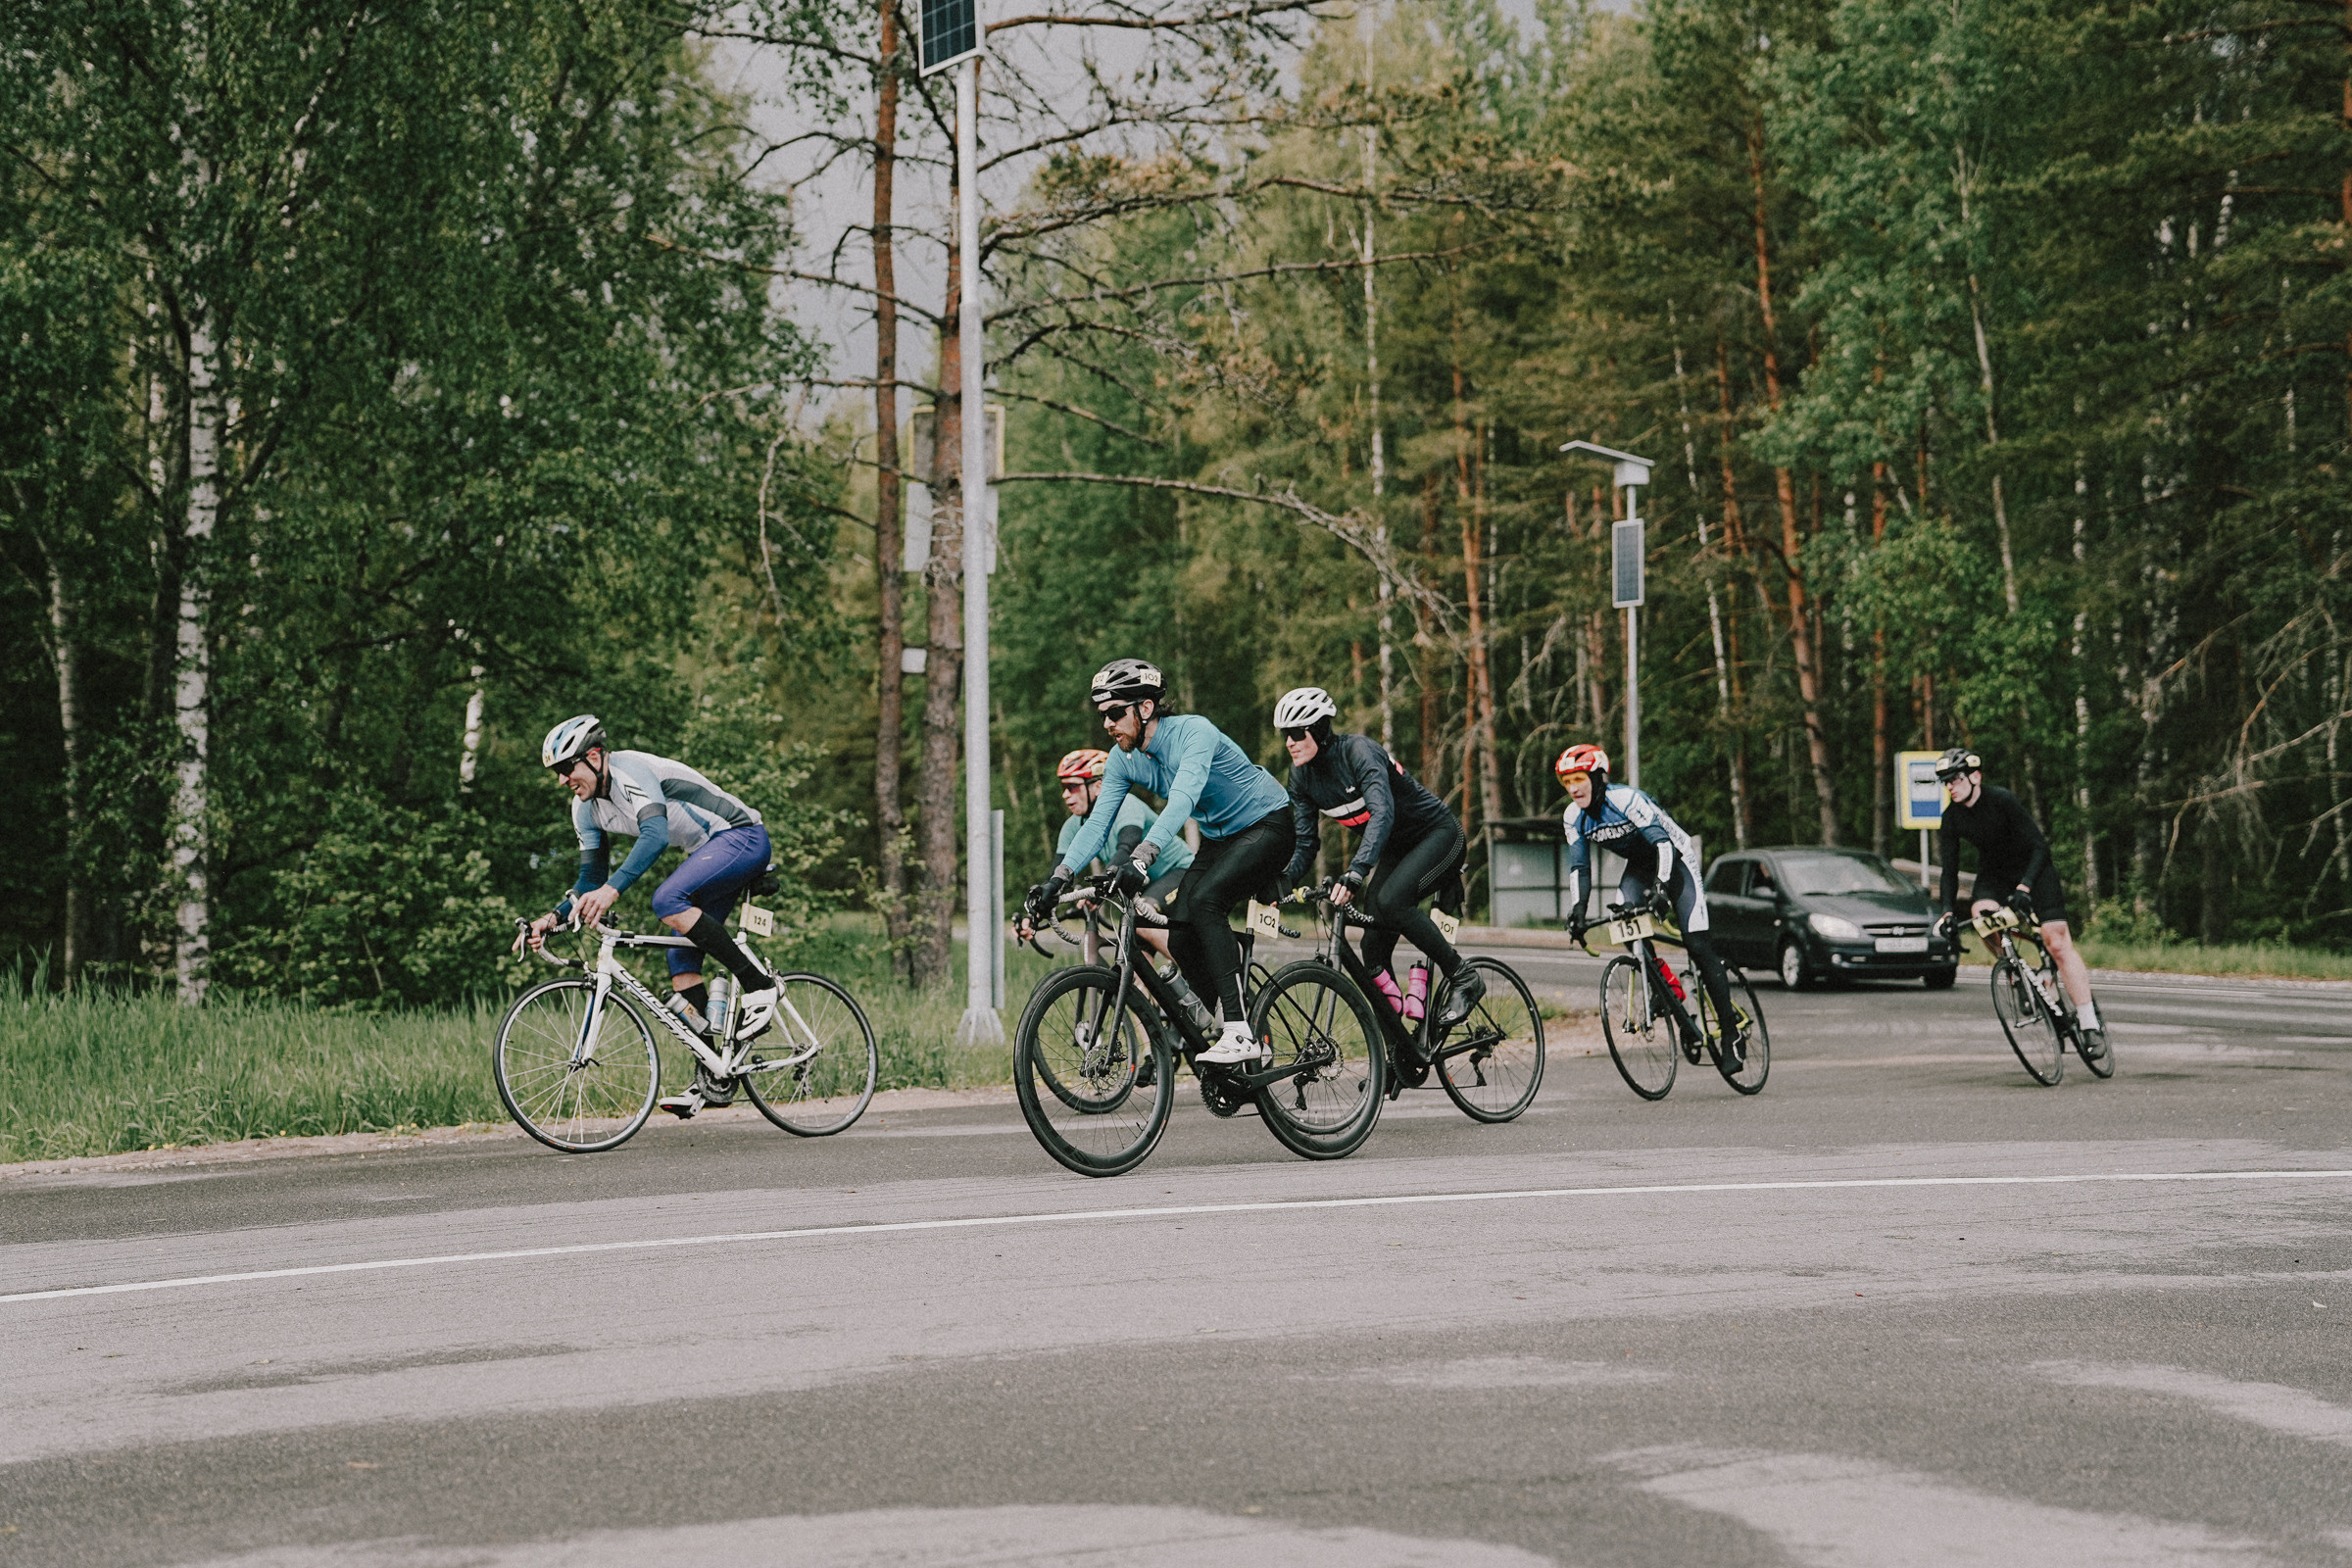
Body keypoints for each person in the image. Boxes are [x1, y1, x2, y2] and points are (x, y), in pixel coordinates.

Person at [1026, 659, 1293, 1065]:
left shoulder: (1193, 732)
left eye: (1115, 712)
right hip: (1221, 836)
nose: (1108, 724)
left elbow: (1183, 800)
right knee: (1183, 937)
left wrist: (1142, 859)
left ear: (1145, 708)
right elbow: (1097, 825)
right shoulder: (1121, 759)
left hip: (1267, 822)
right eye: (1103, 715)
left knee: (1206, 902)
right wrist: (1057, 881)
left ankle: (1240, 1033)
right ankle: (1240, 1024)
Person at [526, 715, 776, 1118]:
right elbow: (591, 877)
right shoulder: (585, 810)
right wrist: (552, 919)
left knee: (667, 900)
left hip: (741, 836)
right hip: (710, 853)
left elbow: (655, 834)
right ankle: (714, 1076)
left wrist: (613, 891)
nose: (562, 781)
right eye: (556, 773)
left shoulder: (630, 770)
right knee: (680, 959)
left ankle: (760, 986)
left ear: (593, 756)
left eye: (565, 769)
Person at [1271, 686, 1484, 1034]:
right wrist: (1281, 883)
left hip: (1438, 836)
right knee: (1371, 948)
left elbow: (1382, 813)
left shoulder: (1359, 752)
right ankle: (1397, 1041)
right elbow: (1307, 842)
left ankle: (1465, 977)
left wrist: (1356, 872)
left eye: (1296, 733)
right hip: (1396, 850)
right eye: (1285, 735)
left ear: (1321, 730)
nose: (1289, 743)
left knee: (1391, 901)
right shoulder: (1301, 777)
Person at [1557, 743, 1747, 1068]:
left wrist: (1661, 890)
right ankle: (1667, 992)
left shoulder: (1627, 800)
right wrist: (1578, 910)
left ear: (1598, 776)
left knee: (1697, 945)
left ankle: (1731, 1033)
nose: (1573, 788)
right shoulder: (1573, 817)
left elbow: (1662, 844)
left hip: (1676, 859)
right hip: (1641, 866)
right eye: (1566, 782)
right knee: (1625, 921)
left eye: (1578, 778)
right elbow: (1580, 867)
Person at [1933, 747, 2107, 1055]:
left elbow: (2040, 846)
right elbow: (1949, 871)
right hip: (1994, 876)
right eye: (1946, 781)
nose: (1951, 786)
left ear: (1976, 776)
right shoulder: (1952, 818)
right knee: (1982, 918)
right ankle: (2017, 974)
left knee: (2057, 942)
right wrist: (1946, 913)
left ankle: (2089, 1022)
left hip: (2034, 870)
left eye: (1956, 779)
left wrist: (2025, 888)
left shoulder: (2002, 801)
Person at [1021, 748, 1193, 962]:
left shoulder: (1125, 804)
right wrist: (1033, 916)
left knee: (1139, 919)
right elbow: (1056, 875)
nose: (1065, 794)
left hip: (1180, 871)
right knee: (1135, 960)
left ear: (1098, 787)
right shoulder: (1073, 826)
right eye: (1064, 788)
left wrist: (1099, 887)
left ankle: (1202, 979)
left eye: (1072, 787)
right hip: (1142, 885)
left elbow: (1127, 847)